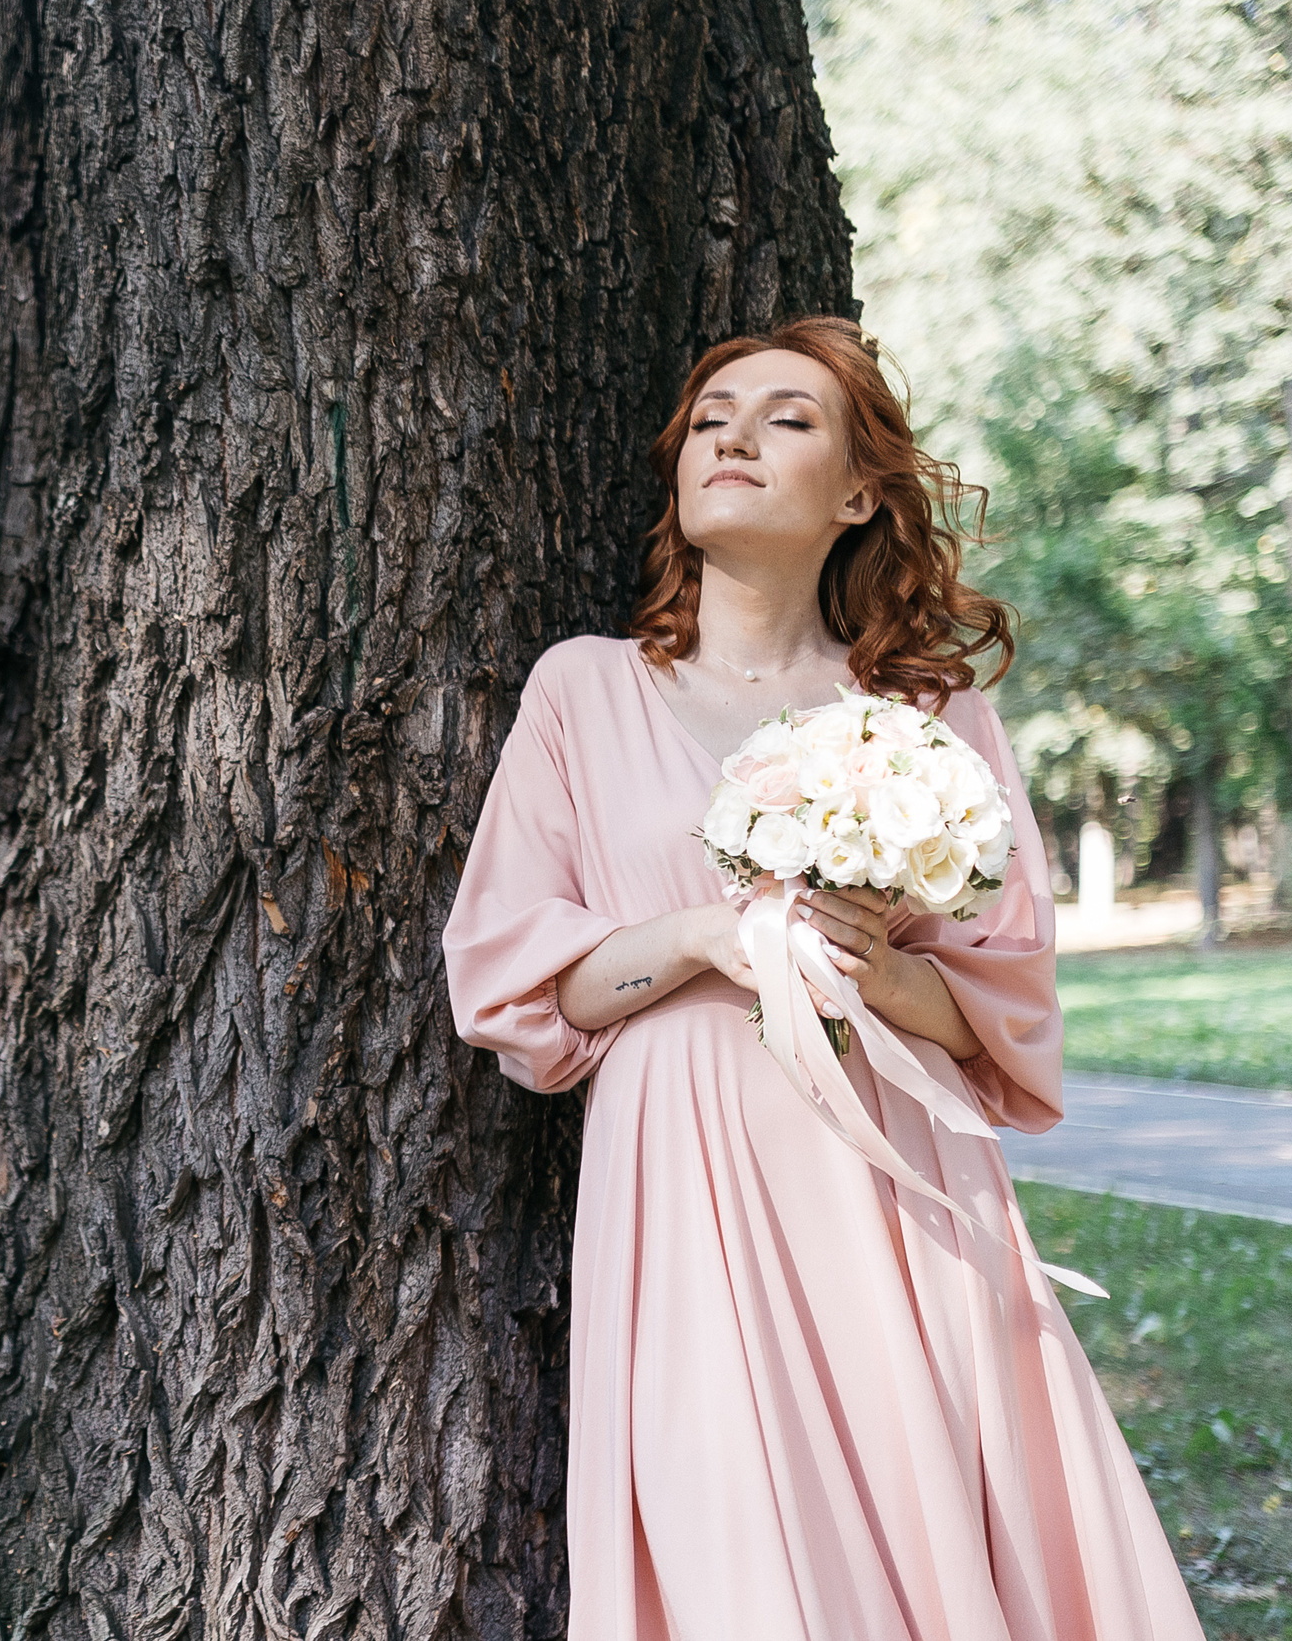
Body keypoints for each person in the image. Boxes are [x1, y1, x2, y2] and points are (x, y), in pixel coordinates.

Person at [441, 316, 1202, 1641]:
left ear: (858, 494)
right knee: (733, 1531)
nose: (730, 434)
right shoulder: (585, 691)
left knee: (930, 1520)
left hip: (891, 1177)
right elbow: (522, 991)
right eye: (711, 417)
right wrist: (696, 939)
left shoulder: (929, 716)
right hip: (688, 1177)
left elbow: (1001, 1012)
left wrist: (871, 959)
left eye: (785, 417)